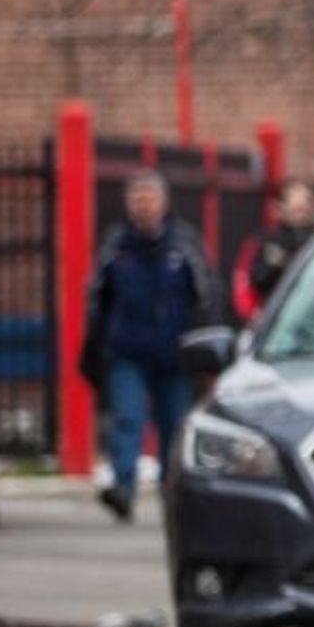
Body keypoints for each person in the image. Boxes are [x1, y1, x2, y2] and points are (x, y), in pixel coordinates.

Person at [79, 169, 214, 523]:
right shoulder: (115, 246)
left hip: (174, 355)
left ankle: (171, 494)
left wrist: (200, 348)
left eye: (149, 198)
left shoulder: (184, 244)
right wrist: (94, 347)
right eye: (136, 199)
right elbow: (97, 299)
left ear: (163, 201)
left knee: (173, 426)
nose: (143, 206)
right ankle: (123, 488)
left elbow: (206, 297)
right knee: (127, 418)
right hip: (128, 353)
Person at [239, 178, 314, 316]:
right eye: (295, 207)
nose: (301, 210)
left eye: (305, 205)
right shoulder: (266, 241)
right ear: (281, 207)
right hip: (278, 318)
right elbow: (252, 283)